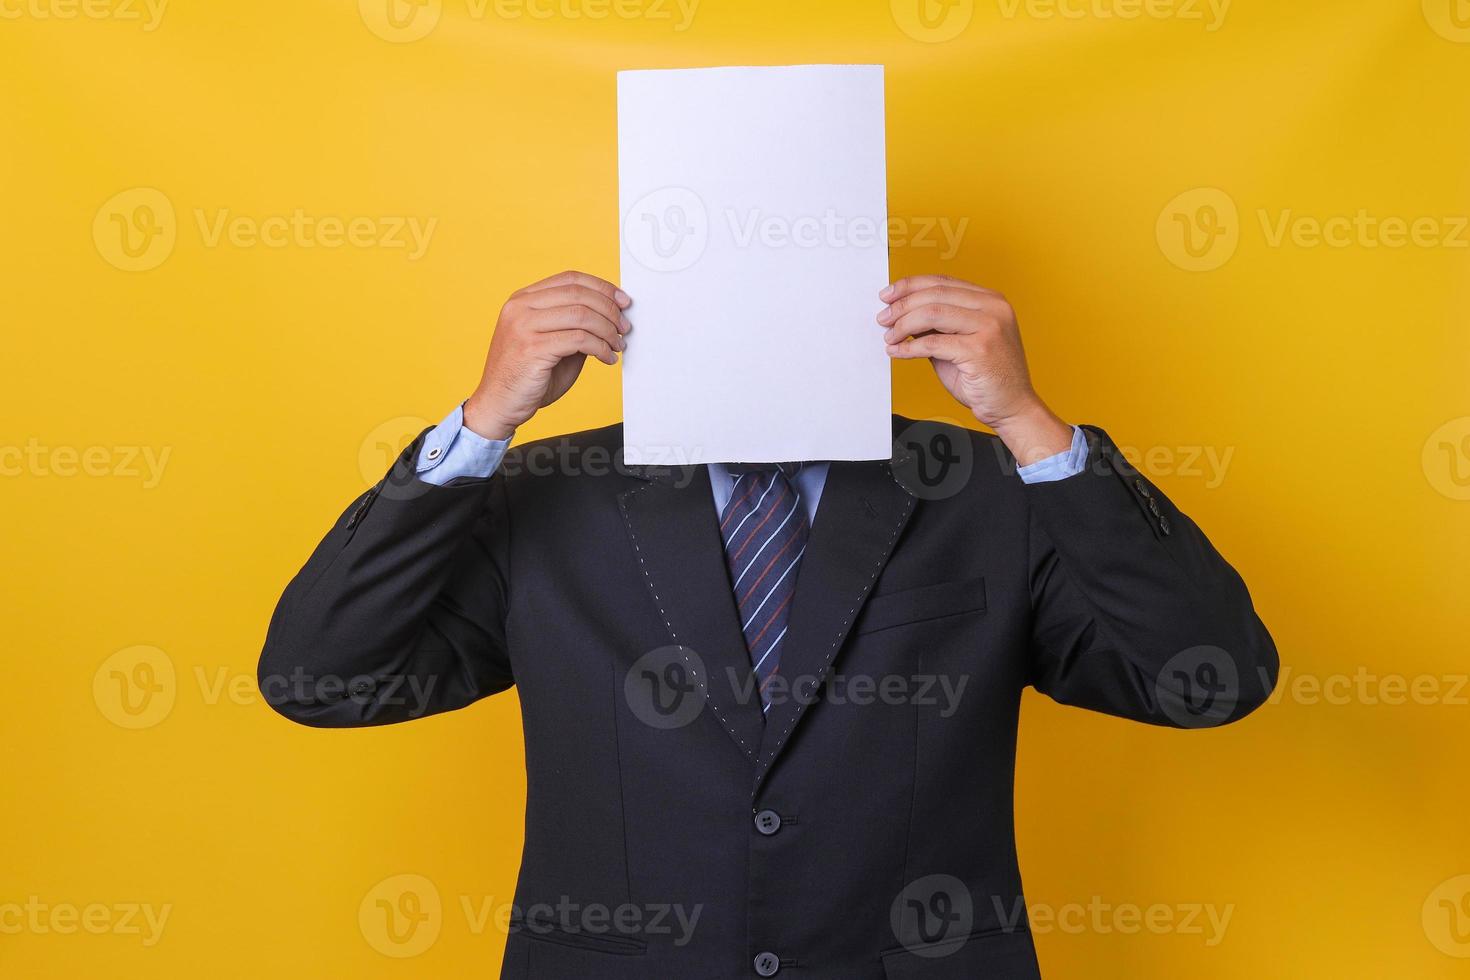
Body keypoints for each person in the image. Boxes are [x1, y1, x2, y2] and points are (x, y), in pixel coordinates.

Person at [258, 269, 1278, 979]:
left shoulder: (987, 489)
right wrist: (482, 423)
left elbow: (1210, 680)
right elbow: (322, 676)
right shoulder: (544, 496)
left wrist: (1029, 424)